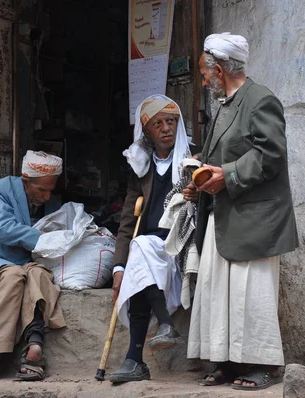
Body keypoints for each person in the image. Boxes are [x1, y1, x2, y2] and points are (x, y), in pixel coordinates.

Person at [186, 33, 299, 391]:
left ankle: (266, 366)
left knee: (253, 295)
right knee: (220, 292)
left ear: (219, 70)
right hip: (224, 212)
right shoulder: (224, 105)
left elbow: (271, 154)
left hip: (254, 218)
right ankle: (227, 362)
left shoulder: (260, 99)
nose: (203, 81)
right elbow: (219, 156)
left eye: (205, 74)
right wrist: (199, 176)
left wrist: (228, 175)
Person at [109, 94, 191, 383]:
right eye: (158, 123)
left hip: (182, 245)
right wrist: (118, 267)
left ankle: (135, 358)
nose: (166, 128)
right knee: (140, 254)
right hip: (150, 248)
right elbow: (128, 221)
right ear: (146, 131)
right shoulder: (140, 166)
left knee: (141, 252)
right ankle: (141, 353)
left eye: (171, 121)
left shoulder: (192, 160)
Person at [0, 151, 66, 382]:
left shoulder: (52, 202)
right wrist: (41, 238)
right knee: (13, 277)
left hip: (30, 263)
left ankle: (34, 346)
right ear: (26, 181)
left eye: (50, 189)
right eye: (42, 189)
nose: (46, 195)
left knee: (38, 276)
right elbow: (2, 228)